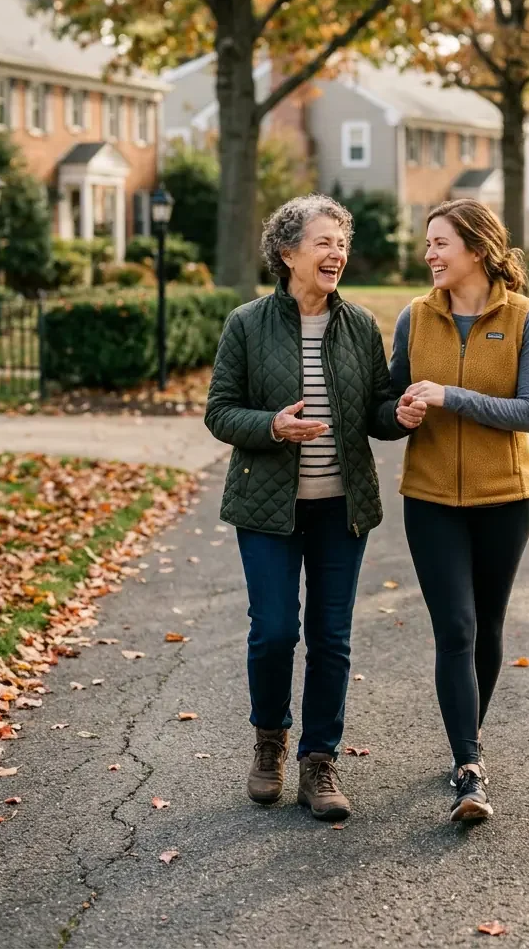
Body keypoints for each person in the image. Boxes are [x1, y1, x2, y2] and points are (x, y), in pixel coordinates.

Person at [205, 194, 424, 822]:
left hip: (341, 510)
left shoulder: (358, 324)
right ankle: (269, 741)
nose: (338, 253)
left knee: (331, 637)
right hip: (267, 509)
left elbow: (376, 411)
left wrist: (399, 415)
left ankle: (318, 759)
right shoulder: (246, 324)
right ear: (287, 252)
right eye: (325, 241)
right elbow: (219, 412)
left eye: (342, 243)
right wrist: (273, 426)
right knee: (275, 631)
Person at [389, 198, 529, 823]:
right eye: (427, 243)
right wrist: (398, 415)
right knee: (454, 627)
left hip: (504, 499)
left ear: (477, 250)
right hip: (430, 499)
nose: (428, 254)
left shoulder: (523, 320)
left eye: (440, 243)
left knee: (486, 626)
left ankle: (467, 743)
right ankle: (468, 767)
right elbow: (388, 400)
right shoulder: (414, 318)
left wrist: (450, 396)